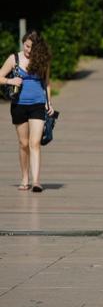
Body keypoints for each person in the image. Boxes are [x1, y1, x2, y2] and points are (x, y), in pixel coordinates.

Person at [0, 31, 54, 193]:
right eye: (26, 45)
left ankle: (36, 181)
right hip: (19, 105)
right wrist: (10, 80)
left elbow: (47, 83)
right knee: (23, 144)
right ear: (22, 43)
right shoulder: (14, 59)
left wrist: (48, 102)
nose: (28, 50)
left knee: (35, 143)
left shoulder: (42, 60)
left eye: (31, 47)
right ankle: (25, 178)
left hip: (38, 104)